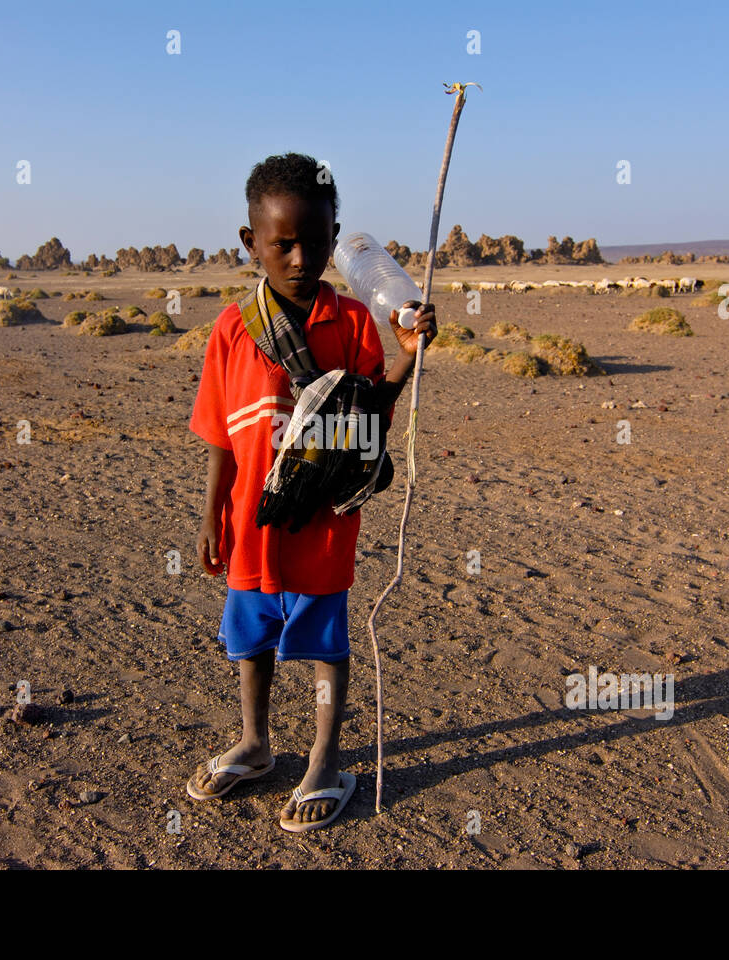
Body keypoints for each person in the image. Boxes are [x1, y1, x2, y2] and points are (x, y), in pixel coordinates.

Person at [185, 152, 436, 831]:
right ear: (250, 244)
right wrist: (211, 511)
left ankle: (326, 758)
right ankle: (255, 742)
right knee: (251, 636)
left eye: (316, 242)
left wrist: (406, 356)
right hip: (249, 522)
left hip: (322, 519)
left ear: (337, 237)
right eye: (281, 243)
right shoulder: (233, 328)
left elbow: (371, 417)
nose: (299, 258)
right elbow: (218, 431)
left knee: (324, 639)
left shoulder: (354, 322)